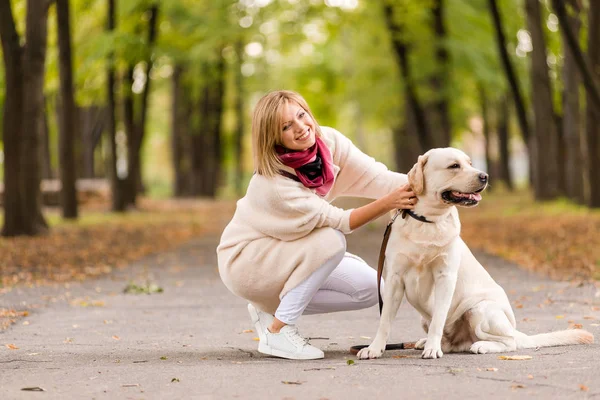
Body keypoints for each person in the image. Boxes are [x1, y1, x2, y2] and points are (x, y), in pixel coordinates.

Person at [216, 90, 417, 360]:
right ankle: (278, 331)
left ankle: (269, 309)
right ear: (273, 138)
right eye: (286, 126)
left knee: (371, 290)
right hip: (247, 261)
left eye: (301, 115)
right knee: (331, 240)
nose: (300, 128)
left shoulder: (329, 143)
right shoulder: (274, 184)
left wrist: (435, 185)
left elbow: (380, 178)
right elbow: (342, 222)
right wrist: (388, 203)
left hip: (289, 248)